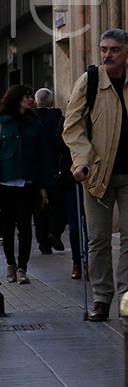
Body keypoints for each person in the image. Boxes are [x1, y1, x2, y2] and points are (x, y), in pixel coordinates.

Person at [62, 28, 128, 320]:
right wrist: (81, 160)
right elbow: (72, 126)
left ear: (125, 52)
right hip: (97, 174)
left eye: (113, 49)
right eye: (103, 49)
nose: (107, 55)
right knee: (98, 238)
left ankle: (126, 299)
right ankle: (101, 298)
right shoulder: (90, 81)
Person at [0, 84, 50, 285]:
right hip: (6, 182)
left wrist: (43, 185)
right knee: (7, 226)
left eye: (32, 96)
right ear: (17, 99)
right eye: (27, 96)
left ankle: (22, 267)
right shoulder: (0, 123)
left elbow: (42, 156)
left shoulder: (34, 123)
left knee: (25, 225)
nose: (31, 100)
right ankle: (10, 265)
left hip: (27, 181)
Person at [35, 87, 80, 275]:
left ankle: (44, 242)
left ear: (37, 102)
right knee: (59, 204)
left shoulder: (32, 120)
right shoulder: (58, 119)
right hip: (61, 169)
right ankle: (54, 230)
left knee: (40, 206)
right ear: (51, 102)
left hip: (39, 167)